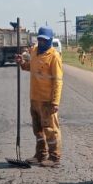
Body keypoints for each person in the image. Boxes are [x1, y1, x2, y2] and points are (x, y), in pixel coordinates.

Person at [15, 26, 63, 168]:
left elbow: (58, 81)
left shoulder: (54, 56)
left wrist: (55, 102)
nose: (42, 42)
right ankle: (41, 154)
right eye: (40, 39)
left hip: (47, 100)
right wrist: (21, 63)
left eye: (45, 40)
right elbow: (31, 67)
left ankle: (54, 157)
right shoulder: (35, 51)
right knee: (38, 129)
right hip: (34, 98)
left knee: (50, 129)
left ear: (50, 40)